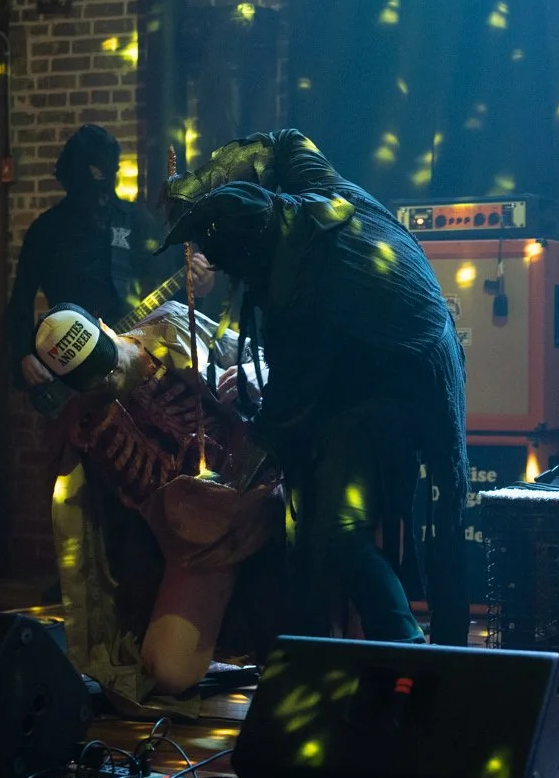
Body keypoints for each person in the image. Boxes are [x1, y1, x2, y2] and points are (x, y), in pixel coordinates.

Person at [160, 132, 469, 647]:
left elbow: (284, 417)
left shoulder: (304, 299)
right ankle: (377, 647)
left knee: (337, 532)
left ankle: (412, 651)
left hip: (401, 378)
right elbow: (282, 142)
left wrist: (228, 487)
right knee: (345, 523)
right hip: (385, 358)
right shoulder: (313, 194)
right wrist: (201, 184)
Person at [35, 299, 280, 720]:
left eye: (107, 362)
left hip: (266, 490)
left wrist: (255, 376)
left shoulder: (172, 326)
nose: (109, 379)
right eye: (92, 377)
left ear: (104, 327)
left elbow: (259, 356)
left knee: (301, 650)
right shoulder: (83, 429)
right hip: (198, 547)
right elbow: (96, 538)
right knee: (168, 672)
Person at [5, 124, 212, 393]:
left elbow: (171, 300)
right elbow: (20, 302)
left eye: (104, 171)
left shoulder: (137, 222)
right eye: (91, 172)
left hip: (134, 365)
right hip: (68, 371)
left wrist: (199, 288)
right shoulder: (46, 230)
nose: (98, 181)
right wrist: (24, 354)